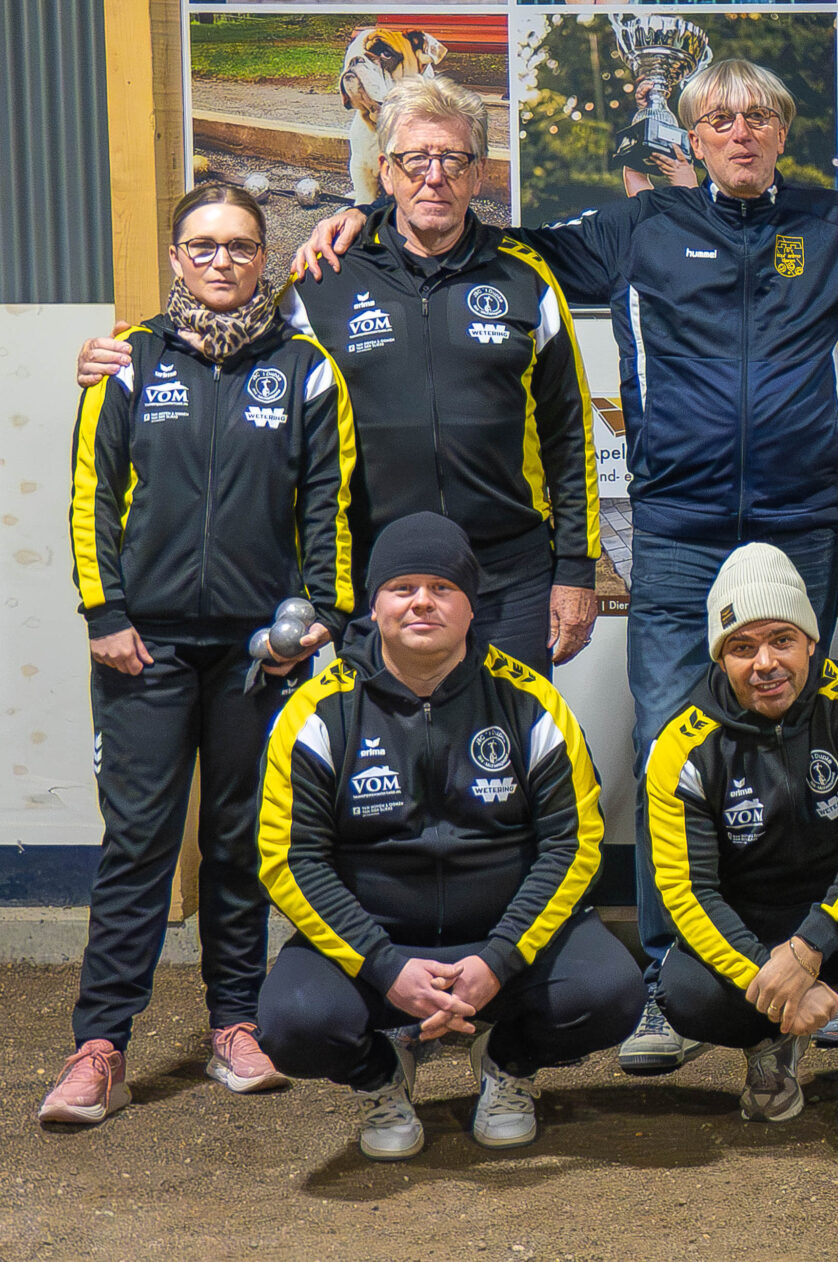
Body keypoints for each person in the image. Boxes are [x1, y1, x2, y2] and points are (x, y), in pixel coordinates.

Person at [278, 63, 838, 1073]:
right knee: (673, 741)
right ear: (693, 138)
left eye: (759, 115)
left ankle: (811, 959)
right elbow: (478, 234)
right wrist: (368, 216)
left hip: (800, 521)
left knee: (797, 745)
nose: (741, 131)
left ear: (784, 131)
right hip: (676, 522)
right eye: (719, 118)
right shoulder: (638, 227)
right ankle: (670, 979)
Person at [76, 77, 600, 675]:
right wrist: (130, 353)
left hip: (508, 575)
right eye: (415, 159)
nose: (434, 177)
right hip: (374, 574)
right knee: (376, 736)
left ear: (479, 174)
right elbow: (231, 363)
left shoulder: (526, 278)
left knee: (508, 735)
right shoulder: (323, 281)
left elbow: (570, 435)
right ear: (385, 171)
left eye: (454, 160)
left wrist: (576, 569)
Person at [41, 185, 359, 1127]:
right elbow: (91, 495)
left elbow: (330, 503)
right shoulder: (128, 361)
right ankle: (100, 1047)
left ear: (265, 258)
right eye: (204, 246)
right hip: (142, 650)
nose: (223, 262)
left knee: (237, 842)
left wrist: (324, 615)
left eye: (241, 246)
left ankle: (234, 1026)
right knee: (138, 845)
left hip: (259, 656)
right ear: (178, 257)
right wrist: (104, 613)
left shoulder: (305, 369)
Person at [252, 513, 644, 1160]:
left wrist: (500, 960)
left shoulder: (530, 702)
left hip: (498, 942)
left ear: (471, 606)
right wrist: (385, 967)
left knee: (611, 992)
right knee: (291, 1020)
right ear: (374, 606)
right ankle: (381, 1076)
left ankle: (507, 1064)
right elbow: (290, 860)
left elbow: (572, 846)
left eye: (442, 588)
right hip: (380, 946)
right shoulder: (316, 713)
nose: (421, 602)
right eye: (402, 587)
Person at [646, 544, 838, 1156]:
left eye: (782, 640)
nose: (765, 664)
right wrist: (775, 979)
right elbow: (687, 890)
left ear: (811, 640)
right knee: (683, 988)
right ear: (720, 656)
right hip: (753, 926)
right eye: (742, 647)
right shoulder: (680, 745)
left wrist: (811, 946)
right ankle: (770, 1046)